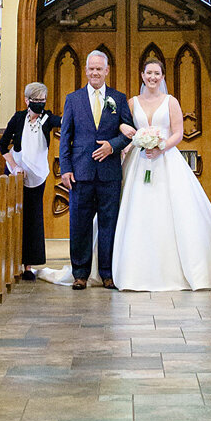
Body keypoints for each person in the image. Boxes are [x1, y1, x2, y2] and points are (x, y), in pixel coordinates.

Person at [112, 58, 211, 292]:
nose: (152, 77)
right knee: (137, 210)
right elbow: (122, 125)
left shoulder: (171, 102)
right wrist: (129, 136)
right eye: (148, 73)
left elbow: (178, 133)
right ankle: (133, 269)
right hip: (139, 162)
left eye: (157, 73)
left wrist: (161, 147)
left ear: (162, 77)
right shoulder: (132, 103)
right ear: (142, 75)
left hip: (165, 160)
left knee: (173, 210)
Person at [59, 51, 131, 288]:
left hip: (109, 172)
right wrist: (66, 169)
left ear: (107, 71)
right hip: (81, 172)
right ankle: (80, 273)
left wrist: (113, 146)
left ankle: (107, 273)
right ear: (86, 70)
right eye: (91, 69)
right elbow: (65, 137)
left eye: (99, 69)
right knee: (79, 224)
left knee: (109, 224)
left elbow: (129, 131)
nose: (94, 73)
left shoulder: (118, 99)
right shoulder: (73, 99)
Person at [0, 83, 60, 279]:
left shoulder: (47, 118)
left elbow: (64, 122)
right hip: (17, 175)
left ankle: (29, 265)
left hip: (38, 175)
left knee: (33, 219)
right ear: (27, 101)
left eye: (43, 101)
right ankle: (10, 262)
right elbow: (3, 144)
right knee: (15, 217)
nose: (39, 104)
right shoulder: (18, 118)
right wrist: (14, 167)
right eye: (36, 101)